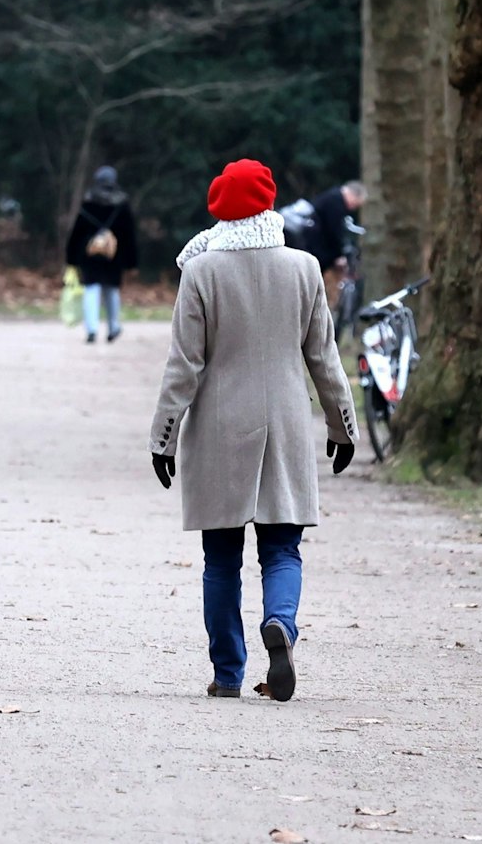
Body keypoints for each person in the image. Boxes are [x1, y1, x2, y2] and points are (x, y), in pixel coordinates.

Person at [150, 158, 357, 702]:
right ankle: (281, 625)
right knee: (283, 551)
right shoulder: (305, 268)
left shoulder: (201, 271)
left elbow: (184, 366)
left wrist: (163, 436)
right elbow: (324, 358)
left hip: (219, 428)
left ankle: (227, 674)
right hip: (286, 424)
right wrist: (343, 426)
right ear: (269, 203)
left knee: (221, 559)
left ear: (218, 209)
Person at [65, 166, 139, 344]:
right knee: (111, 290)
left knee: (91, 288)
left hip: (89, 253)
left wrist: (71, 258)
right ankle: (113, 327)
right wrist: (132, 262)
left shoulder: (88, 200)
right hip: (114, 254)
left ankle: (91, 329)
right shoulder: (122, 202)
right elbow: (129, 235)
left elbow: (77, 232)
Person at [281, 181, 366, 273]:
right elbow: (333, 231)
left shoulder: (332, 196)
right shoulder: (336, 202)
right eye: (356, 204)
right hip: (311, 246)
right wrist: (338, 255)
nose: (352, 208)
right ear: (353, 195)